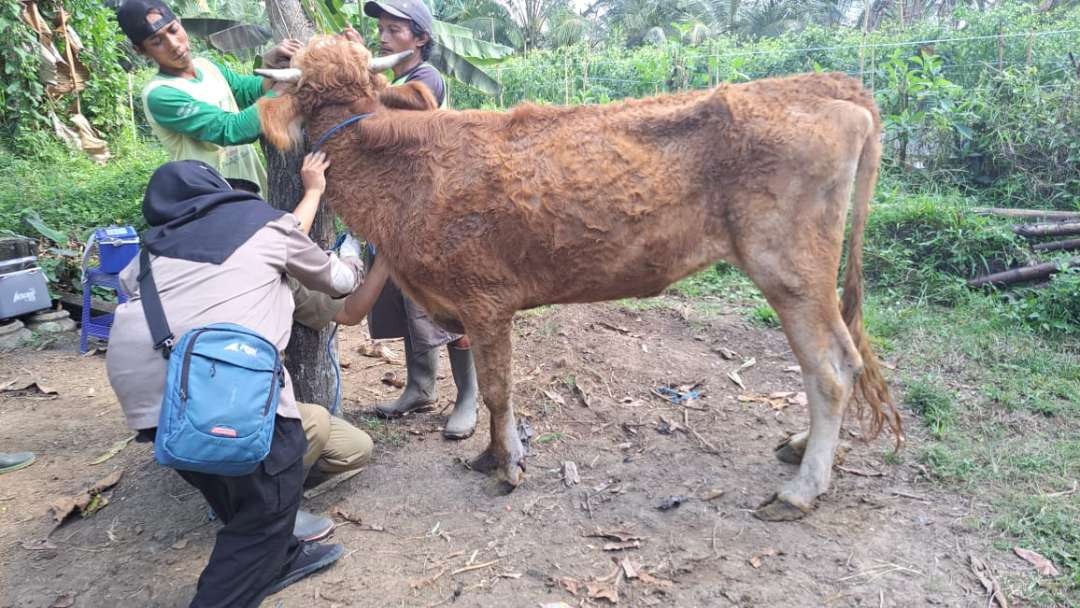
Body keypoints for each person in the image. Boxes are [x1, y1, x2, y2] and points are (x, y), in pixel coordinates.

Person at [105, 160, 362, 607]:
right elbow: (338, 280)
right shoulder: (265, 226)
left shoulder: (146, 252)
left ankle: (282, 558)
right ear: (220, 190)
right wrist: (354, 254)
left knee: (222, 477)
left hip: (147, 395)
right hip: (223, 388)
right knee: (269, 507)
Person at [347, 0, 479, 440]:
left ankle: (466, 398)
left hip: (432, 212)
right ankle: (420, 387)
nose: (383, 37)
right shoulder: (398, 78)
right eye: (381, 29)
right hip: (398, 210)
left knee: (448, 306)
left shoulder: (424, 79)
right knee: (407, 304)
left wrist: (360, 74)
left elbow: (406, 111)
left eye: (395, 29)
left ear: (420, 38)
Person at [117, 0, 301, 194]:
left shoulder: (207, 66)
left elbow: (250, 92)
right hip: (213, 200)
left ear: (180, 22)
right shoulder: (160, 94)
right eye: (156, 42)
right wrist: (283, 86)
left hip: (252, 189)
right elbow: (231, 130)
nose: (174, 45)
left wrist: (270, 65)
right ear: (141, 50)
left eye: (173, 30)